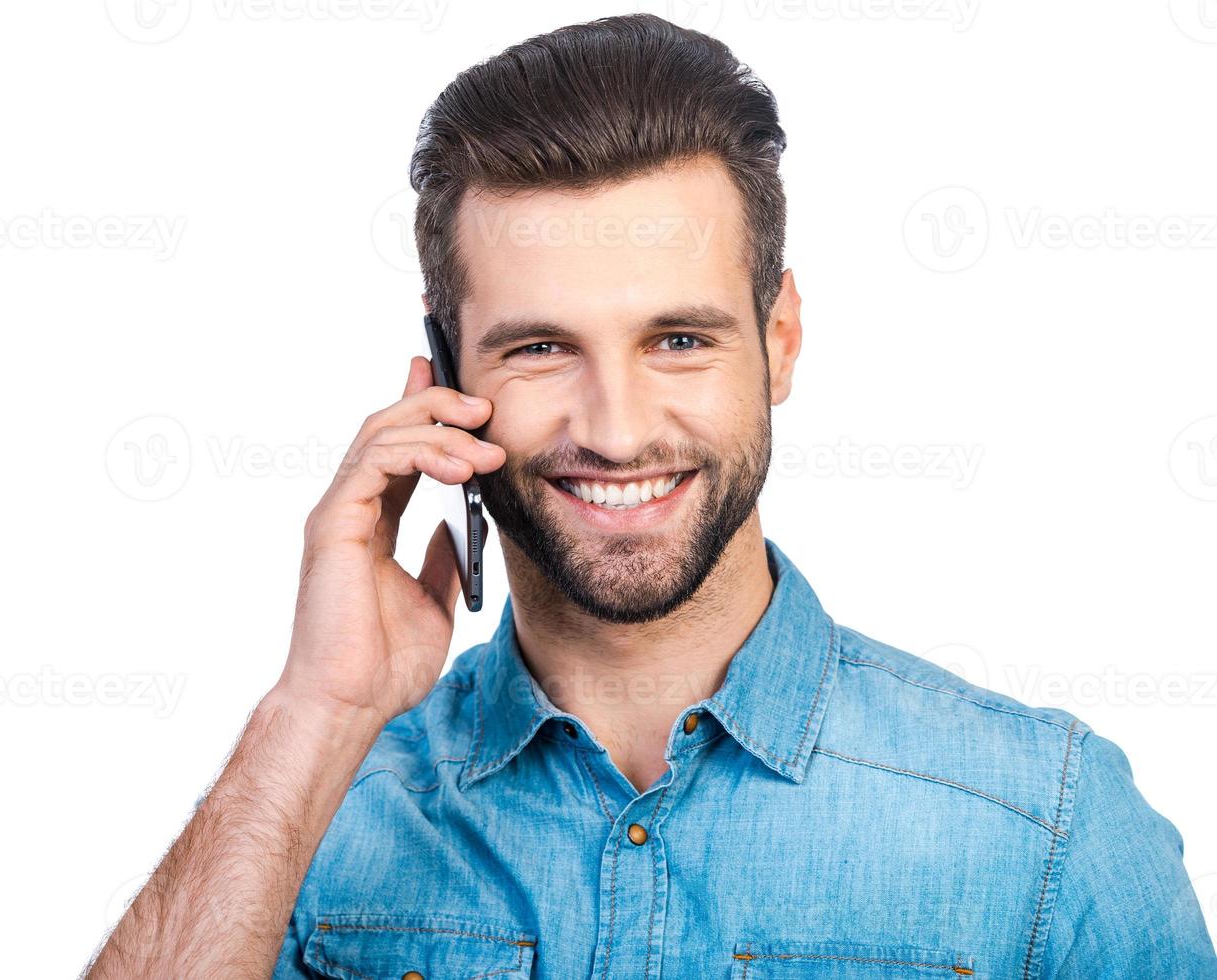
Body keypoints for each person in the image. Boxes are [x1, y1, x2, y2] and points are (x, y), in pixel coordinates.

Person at [85, 13, 1217, 978]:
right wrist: (315, 715)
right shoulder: (306, 815)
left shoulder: (1044, 822)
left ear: (778, 341)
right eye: (538, 347)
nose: (615, 428)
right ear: (443, 376)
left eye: (677, 338)